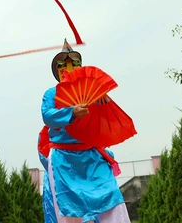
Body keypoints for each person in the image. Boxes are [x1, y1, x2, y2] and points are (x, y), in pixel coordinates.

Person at [40, 39, 130, 222]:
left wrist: (102, 99)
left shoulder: (92, 92)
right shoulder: (51, 94)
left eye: (74, 64)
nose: (69, 68)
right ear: (57, 71)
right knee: (70, 210)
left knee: (112, 200)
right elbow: (47, 116)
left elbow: (104, 121)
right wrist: (71, 111)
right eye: (63, 65)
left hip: (92, 156)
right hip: (65, 160)